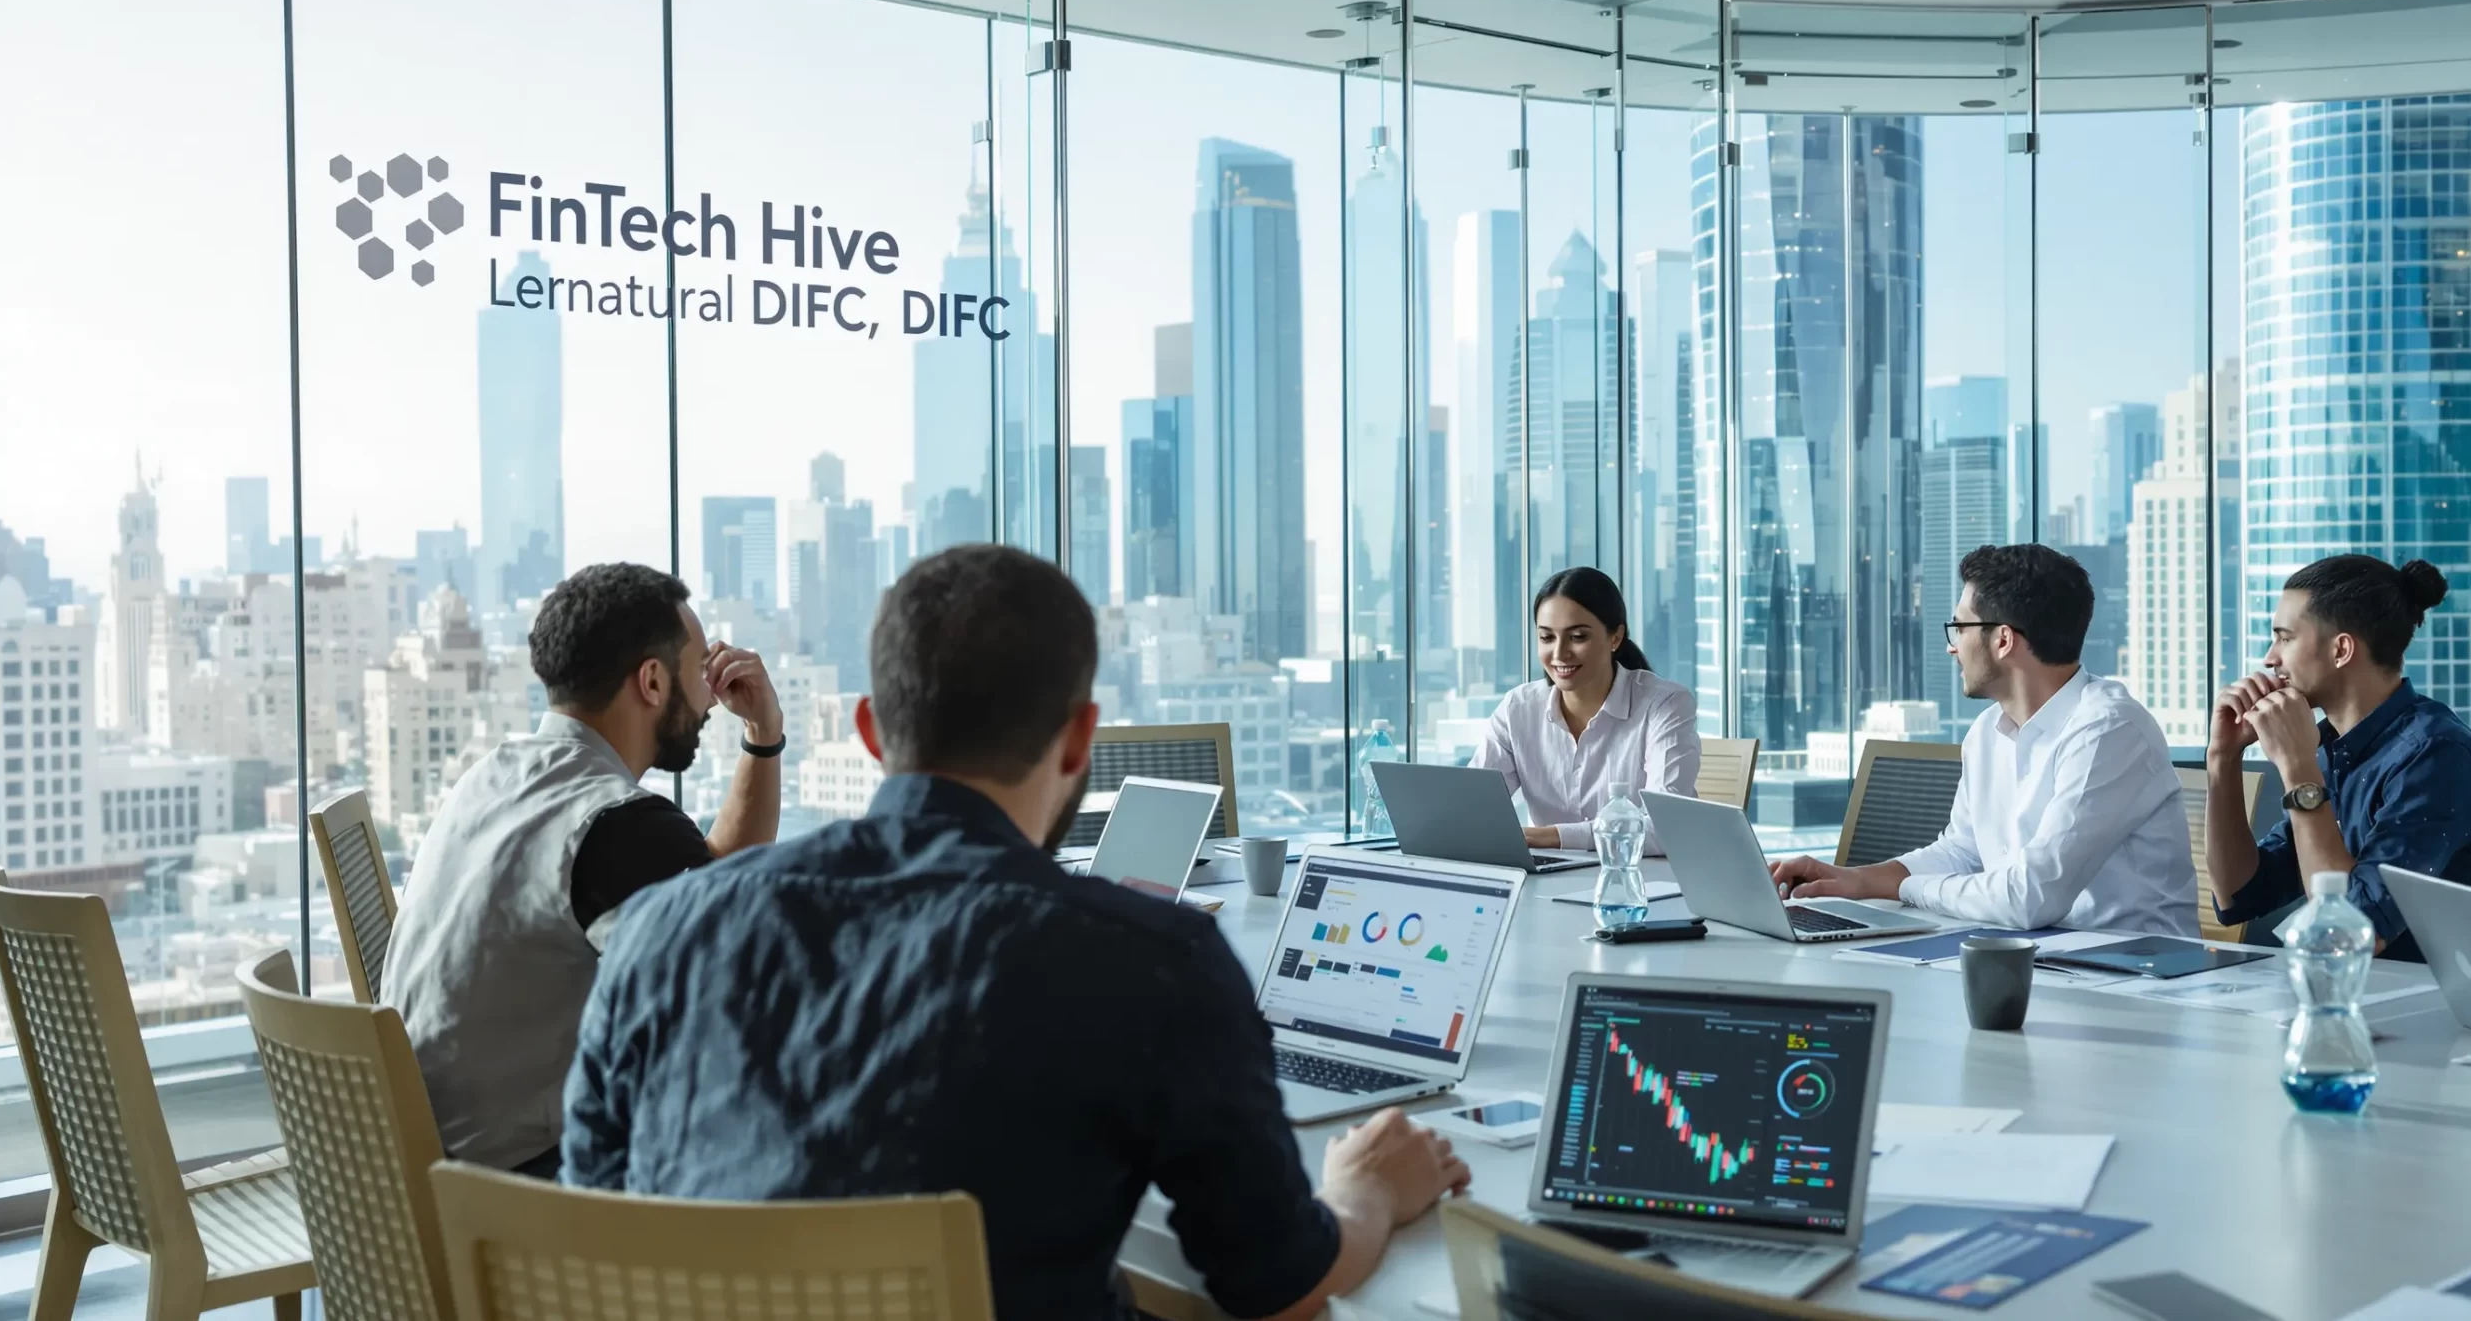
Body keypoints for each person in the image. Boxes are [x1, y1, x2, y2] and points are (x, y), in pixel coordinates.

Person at [562, 544, 1467, 1321]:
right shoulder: (1151, 963)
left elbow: (593, 1225)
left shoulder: (656, 932)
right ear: (1080, 741)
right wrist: (1368, 1188)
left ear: (872, 732)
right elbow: (1277, 1284)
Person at [383, 562, 785, 1177]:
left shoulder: (491, 774)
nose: (710, 695)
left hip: (419, 1163)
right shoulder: (614, 822)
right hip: (514, 1194)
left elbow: (713, 885)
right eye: (701, 668)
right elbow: (722, 987)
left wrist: (762, 736)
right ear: (652, 681)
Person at [1770, 544, 2195, 936]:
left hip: (2134, 973)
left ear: (2003, 639)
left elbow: (2030, 897)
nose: (1953, 647)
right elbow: (1962, 852)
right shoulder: (1987, 732)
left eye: (1960, 627)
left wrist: (1907, 890)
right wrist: (1853, 880)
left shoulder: (2109, 730)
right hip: (2032, 957)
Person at [2205, 555, 2471, 961]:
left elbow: (2348, 931)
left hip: (2424, 1011)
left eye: (2285, 638)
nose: (2269, 658)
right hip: (2347, 996)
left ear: (2341, 649)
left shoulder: (2435, 754)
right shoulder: (2341, 748)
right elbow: (2238, 895)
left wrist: (2299, 770)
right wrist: (2223, 759)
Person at [1472, 566, 1700, 849]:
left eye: (1577, 637)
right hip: (1545, 880)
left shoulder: (1664, 705)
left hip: (1640, 882)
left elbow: (1666, 827)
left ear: (1615, 637)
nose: (1559, 653)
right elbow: (1473, 809)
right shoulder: (1518, 708)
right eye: (1546, 637)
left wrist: (1546, 837)